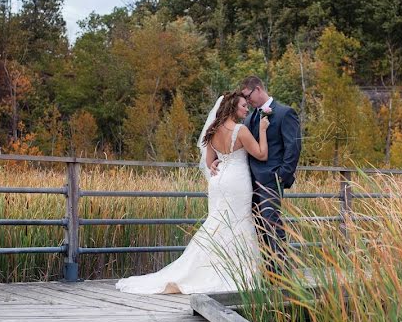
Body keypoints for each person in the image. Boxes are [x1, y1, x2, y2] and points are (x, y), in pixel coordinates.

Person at [115, 91, 269, 294]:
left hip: (219, 181)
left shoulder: (213, 130)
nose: (246, 109)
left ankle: (207, 268)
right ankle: (236, 272)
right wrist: (263, 129)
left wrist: (216, 164)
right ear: (233, 108)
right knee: (238, 222)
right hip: (238, 182)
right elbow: (261, 154)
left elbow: (208, 162)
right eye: (243, 106)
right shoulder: (241, 130)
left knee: (218, 223)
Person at [238, 75, 301, 273]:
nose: (248, 102)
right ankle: (268, 270)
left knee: (272, 223)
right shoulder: (250, 119)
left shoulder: (284, 113)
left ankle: (282, 273)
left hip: (272, 179)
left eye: (248, 96)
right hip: (250, 182)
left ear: (258, 89)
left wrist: (282, 175)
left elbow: (294, 146)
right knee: (258, 225)